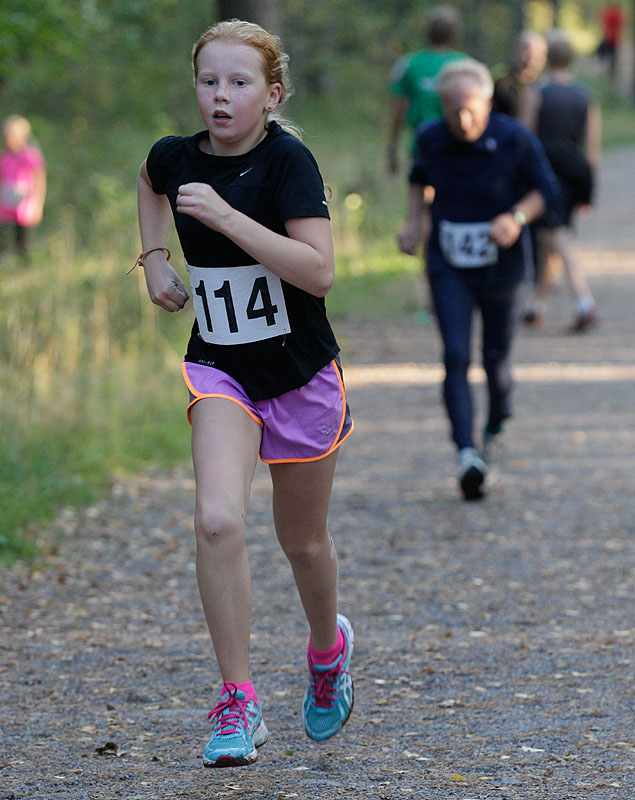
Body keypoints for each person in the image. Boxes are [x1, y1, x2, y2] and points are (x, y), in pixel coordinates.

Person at [136, 20, 354, 768]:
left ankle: (326, 651)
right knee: (218, 520)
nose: (220, 96)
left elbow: (319, 273)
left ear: (272, 94)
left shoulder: (288, 163)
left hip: (299, 374)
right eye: (208, 82)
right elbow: (149, 180)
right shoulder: (176, 157)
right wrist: (154, 258)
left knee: (301, 541)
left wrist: (228, 219)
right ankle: (238, 700)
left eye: (238, 82)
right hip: (221, 369)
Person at [398, 59, 557, 501]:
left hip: (503, 266)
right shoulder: (430, 137)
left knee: (496, 361)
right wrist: (412, 223)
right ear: (442, 108)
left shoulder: (514, 137)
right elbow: (418, 179)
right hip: (449, 262)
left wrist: (516, 218)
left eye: (471, 110)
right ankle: (467, 453)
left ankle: (497, 422)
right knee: (455, 354)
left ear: (487, 103)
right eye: (454, 112)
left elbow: (546, 190)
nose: (463, 120)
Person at [525, 29, 602, 333]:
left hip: (547, 172)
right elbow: (592, 148)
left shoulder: (538, 92)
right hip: (575, 172)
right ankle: (537, 306)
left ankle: (585, 302)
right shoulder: (585, 95)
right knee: (551, 240)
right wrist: (589, 191)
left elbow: (526, 137)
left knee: (557, 237)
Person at [387, 5, 466, 175]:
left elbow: (398, 111)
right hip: (456, 145)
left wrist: (392, 148)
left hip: (422, 145)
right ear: (454, 33)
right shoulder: (465, 65)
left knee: (421, 187)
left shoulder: (409, 63)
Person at [0, 115, 46, 264]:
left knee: (24, 240)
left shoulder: (31, 156)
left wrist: (37, 205)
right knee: (6, 238)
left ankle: (24, 267)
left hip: (25, 204)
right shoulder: (4, 156)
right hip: (7, 204)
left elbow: (39, 180)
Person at [492, 30, 547, 127]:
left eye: (537, 51)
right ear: (515, 51)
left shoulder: (546, 88)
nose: (530, 56)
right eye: (525, 49)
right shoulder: (502, 86)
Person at [597, 3, 625, 79]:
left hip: (609, 38)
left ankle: (609, 72)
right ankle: (611, 72)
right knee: (612, 57)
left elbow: (605, 24)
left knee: (607, 55)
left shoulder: (610, 13)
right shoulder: (618, 14)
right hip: (614, 38)